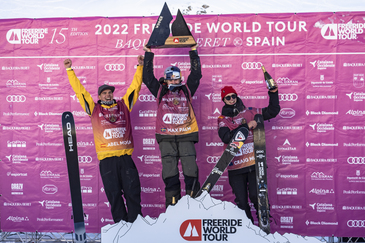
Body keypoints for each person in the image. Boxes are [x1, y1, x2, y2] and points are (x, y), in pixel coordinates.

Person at [63, 56, 144, 223]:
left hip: (125, 159)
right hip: (107, 161)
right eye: (104, 93)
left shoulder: (124, 105)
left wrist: (140, 67)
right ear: (99, 96)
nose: (108, 95)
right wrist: (70, 71)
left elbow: (135, 88)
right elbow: (80, 91)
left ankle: (137, 226)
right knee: (114, 195)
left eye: (110, 92)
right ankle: (121, 227)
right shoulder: (93, 109)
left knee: (133, 192)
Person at [142, 44, 202, 207]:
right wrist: (148, 55)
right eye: (170, 78)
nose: (173, 81)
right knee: (170, 173)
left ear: (180, 79)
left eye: (176, 78)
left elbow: (196, 74)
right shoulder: (160, 92)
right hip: (166, 136)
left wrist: (193, 52)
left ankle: (193, 204)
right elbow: (147, 78)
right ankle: (172, 206)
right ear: (166, 79)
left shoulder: (187, 90)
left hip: (186, 134)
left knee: (190, 170)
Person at [218, 84, 280, 223]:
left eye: (233, 96)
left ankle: (264, 226)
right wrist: (246, 126)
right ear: (224, 100)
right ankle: (248, 230)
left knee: (256, 195)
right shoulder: (223, 119)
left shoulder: (251, 112)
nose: (232, 99)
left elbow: (273, 111)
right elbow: (226, 137)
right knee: (241, 203)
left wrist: (273, 92)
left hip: (254, 164)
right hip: (235, 166)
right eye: (228, 97)